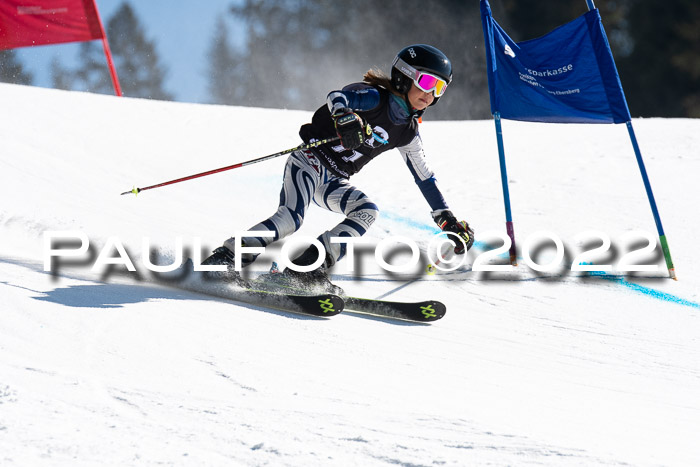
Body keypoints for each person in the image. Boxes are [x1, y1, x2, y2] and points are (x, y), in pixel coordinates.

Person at [202, 44, 474, 292]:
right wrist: (344, 117)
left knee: (366, 211)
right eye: (427, 82)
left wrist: (446, 219)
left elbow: (425, 177)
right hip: (309, 162)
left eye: (440, 89)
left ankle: (307, 268)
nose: (431, 94)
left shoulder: (407, 131)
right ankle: (225, 258)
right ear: (405, 75)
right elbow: (337, 96)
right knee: (290, 219)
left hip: (333, 180)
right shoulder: (375, 99)